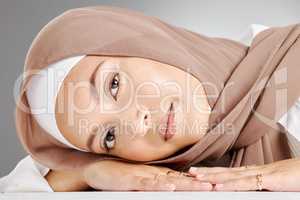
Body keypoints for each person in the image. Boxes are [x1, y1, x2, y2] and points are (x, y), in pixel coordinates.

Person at [1, 6, 300, 192]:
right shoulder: (165, 183)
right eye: (109, 136)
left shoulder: (288, 59)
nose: (136, 123)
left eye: (114, 84)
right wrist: (86, 172)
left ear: (145, 41)